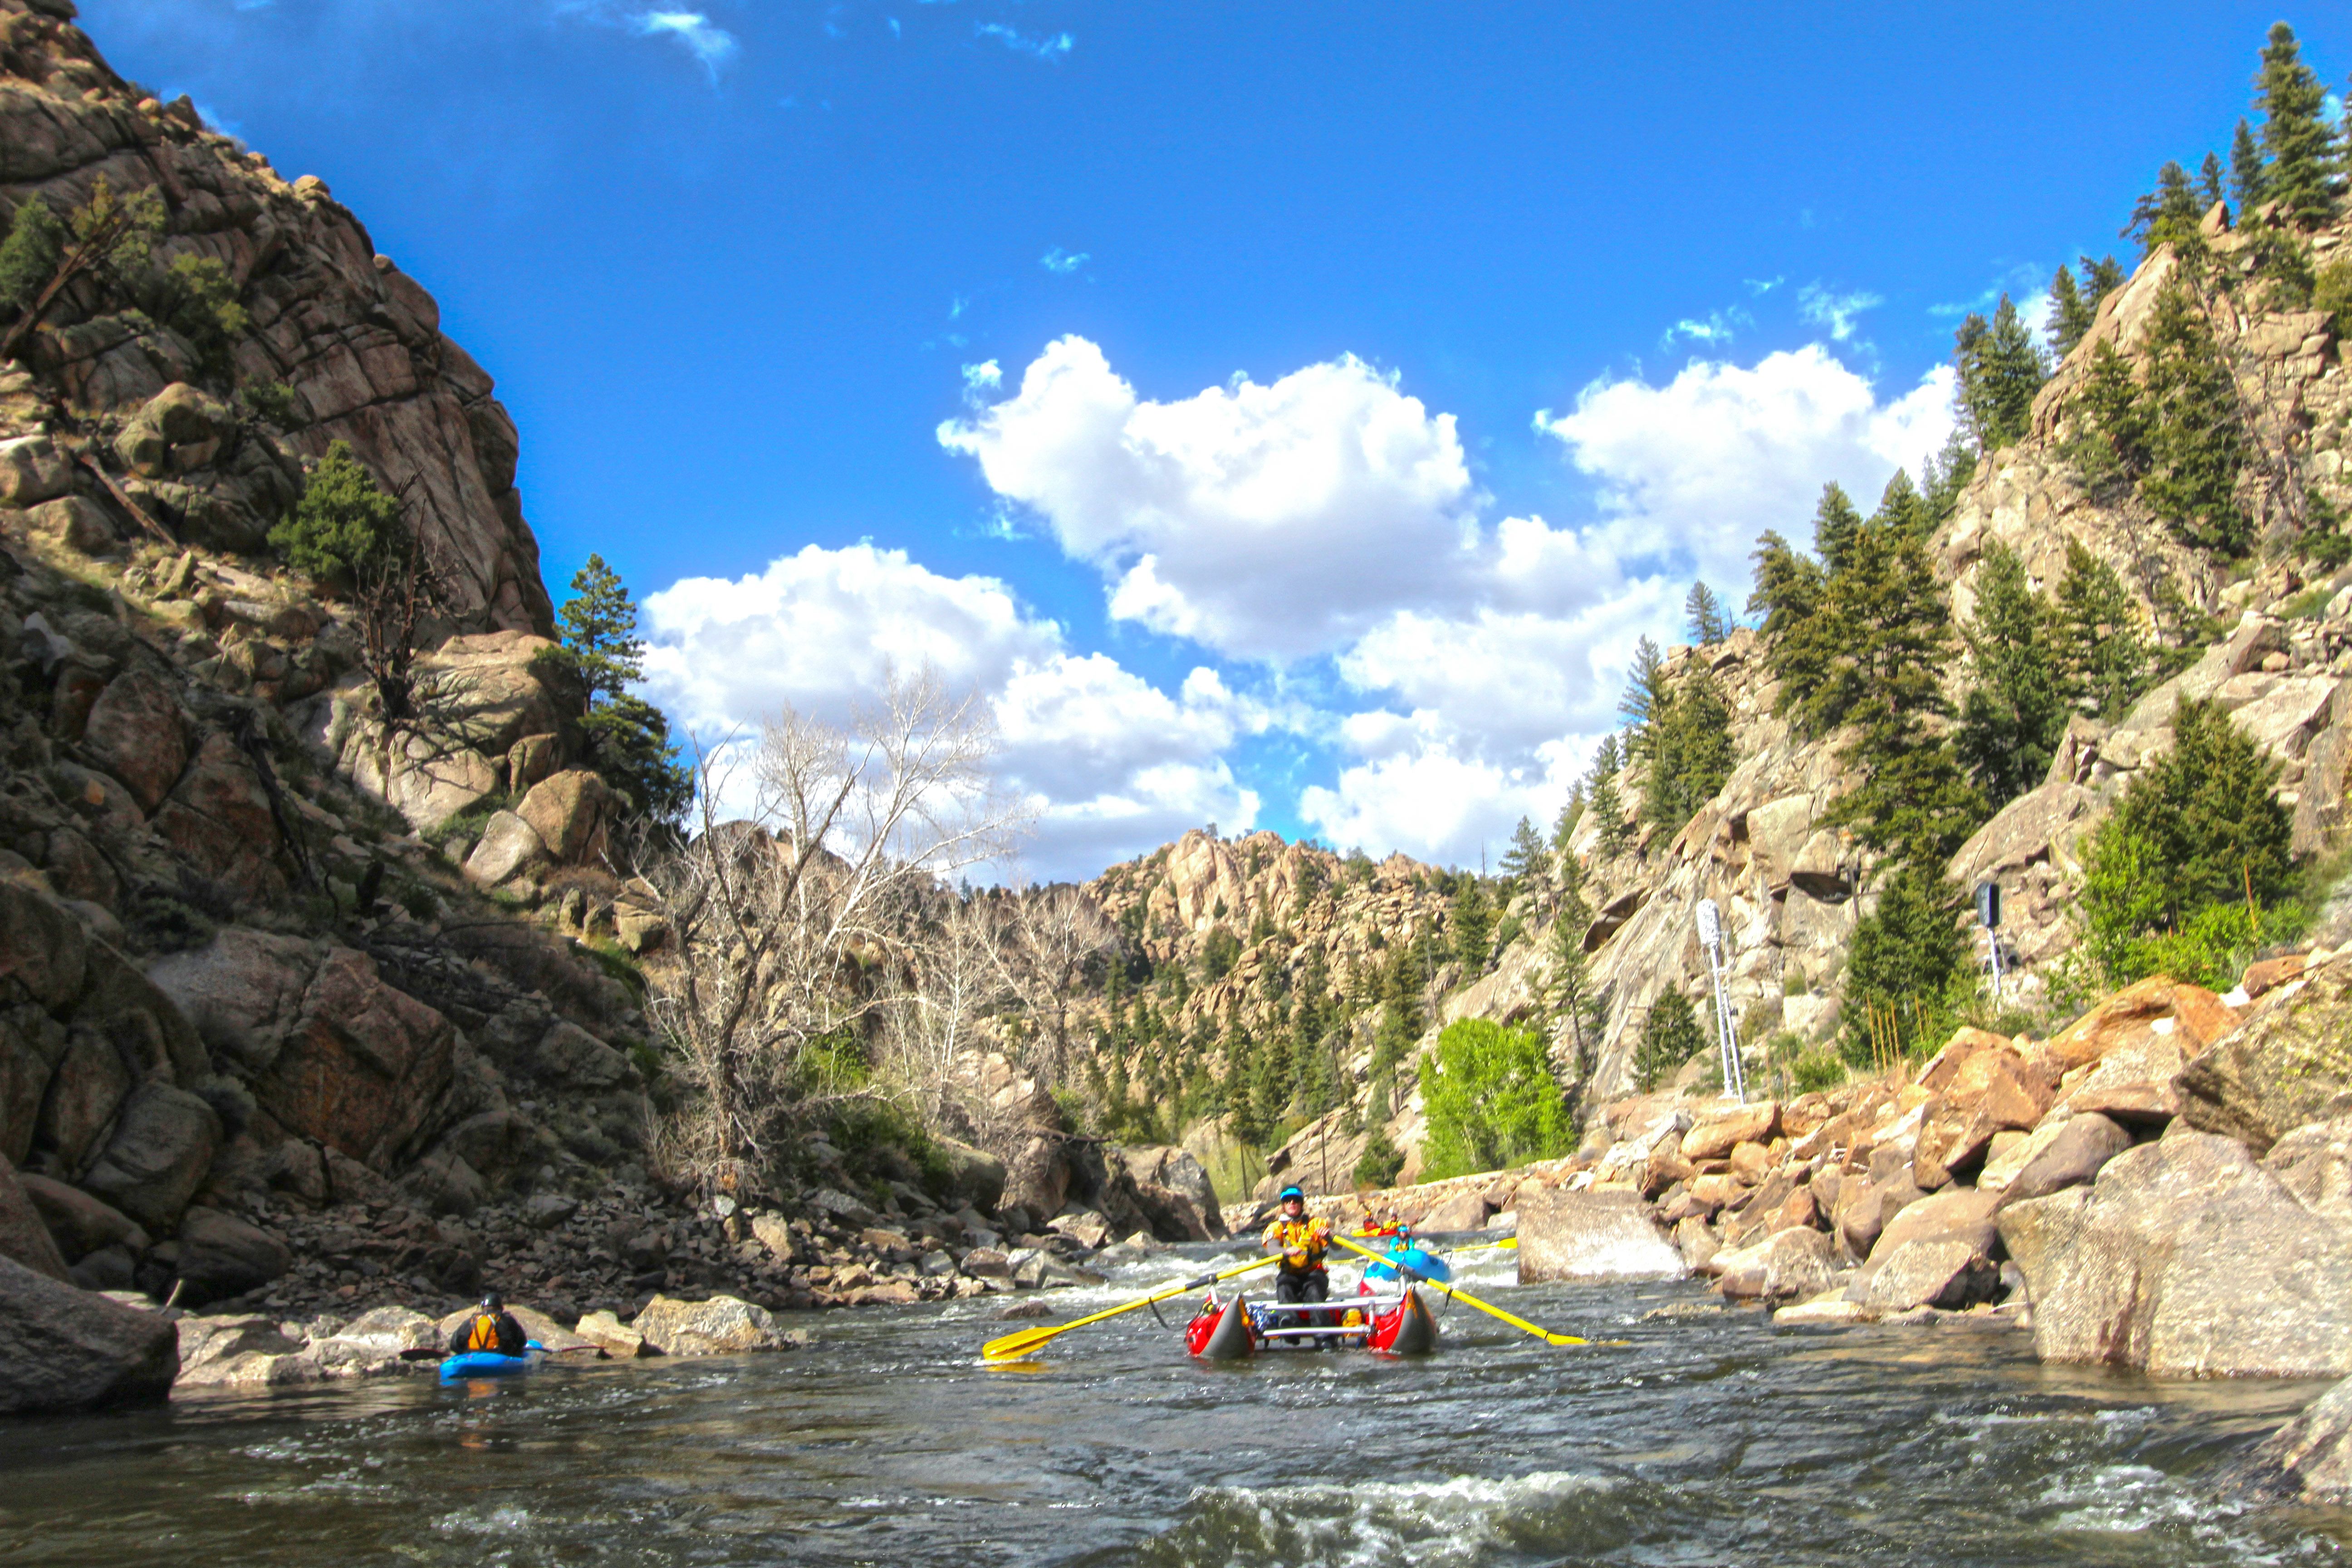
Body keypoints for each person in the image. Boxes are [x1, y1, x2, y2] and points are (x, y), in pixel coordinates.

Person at [1260, 1185, 1332, 1318]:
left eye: (1296, 1200)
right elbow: (1272, 1250)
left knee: (1314, 1290)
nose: (1292, 1203)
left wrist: (1328, 1237)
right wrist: (1287, 1251)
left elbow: (1337, 1247)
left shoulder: (1316, 1224)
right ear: (1284, 1205)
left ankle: (1324, 1336)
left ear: (1301, 1204)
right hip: (1290, 1273)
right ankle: (1289, 1326)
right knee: (1283, 1286)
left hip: (1313, 1273)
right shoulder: (1276, 1228)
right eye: (1288, 1201)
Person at [449, 1290, 527, 1356]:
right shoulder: (506, 1319)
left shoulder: (472, 1320)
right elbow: (522, 1341)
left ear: (483, 1307)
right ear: (501, 1308)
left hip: (472, 1356)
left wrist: (464, 1353)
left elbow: (454, 1345)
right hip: (499, 1357)